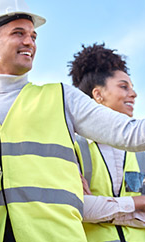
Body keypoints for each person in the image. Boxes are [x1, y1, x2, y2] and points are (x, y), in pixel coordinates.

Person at [0, 0, 145, 241]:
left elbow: (131, 134)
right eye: (18, 33)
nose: (29, 42)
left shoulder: (62, 97)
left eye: (33, 36)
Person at [69, 43, 145, 242]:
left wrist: (105, 208)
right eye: (123, 86)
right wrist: (138, 203)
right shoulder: (73, 145)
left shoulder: (140, 150)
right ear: (98, 95)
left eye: (132, 87)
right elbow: (80, 208)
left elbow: (93, 209)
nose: (134, 94)